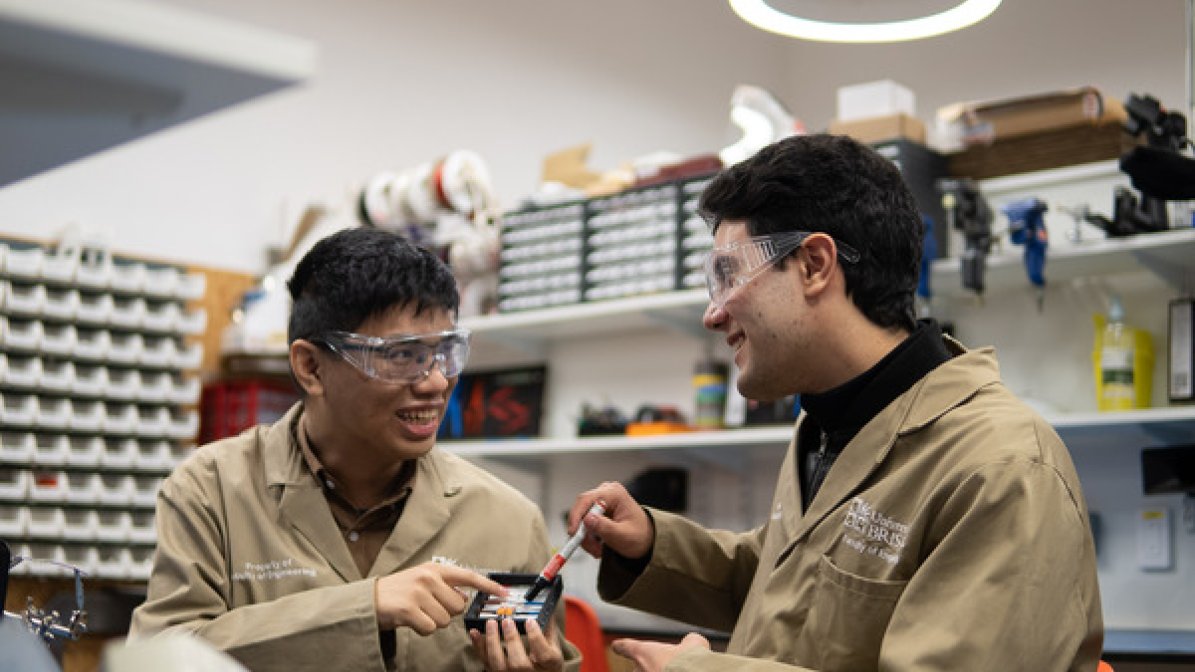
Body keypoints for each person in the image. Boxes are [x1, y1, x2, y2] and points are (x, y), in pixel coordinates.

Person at [568, 134, 1103, 671]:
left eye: (728, 275)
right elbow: (790, 587)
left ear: (815, 264)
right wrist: (652, 545)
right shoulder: (827, 425)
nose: (714, 314)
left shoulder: (1001, 467)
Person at [131, 227, 579, 672]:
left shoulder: (509, 521)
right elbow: (160, 659)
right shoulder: (212, 491)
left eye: (446, 352)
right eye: (402, 355)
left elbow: (552, 657)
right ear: (311, 367)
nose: (436, 382)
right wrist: (365, 607)